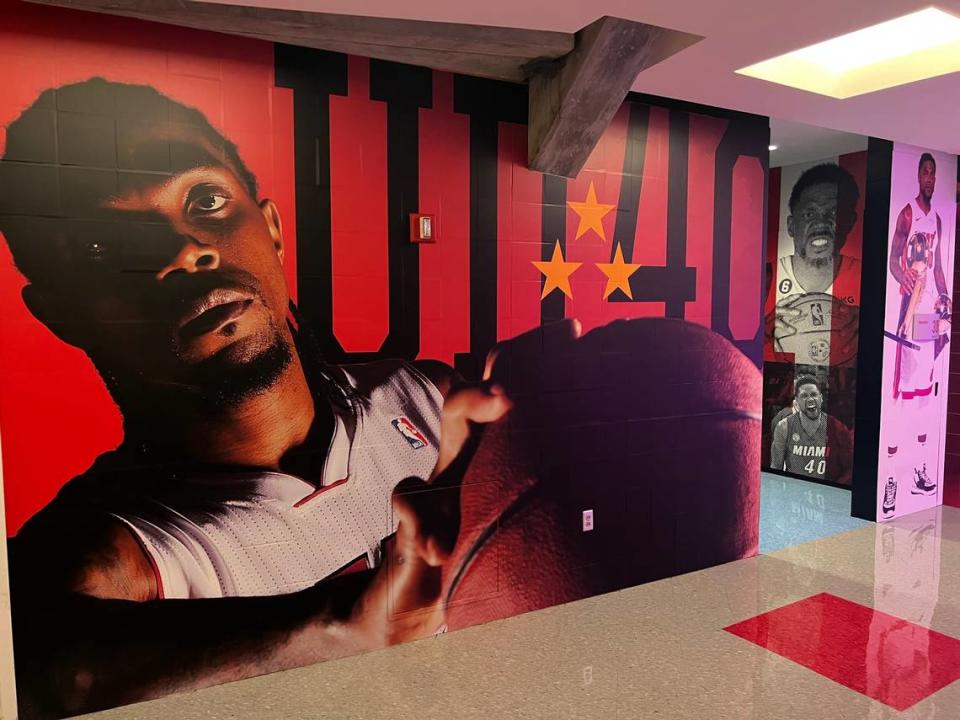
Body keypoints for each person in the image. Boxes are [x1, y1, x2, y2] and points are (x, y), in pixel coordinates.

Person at [0, 78, 523, 718]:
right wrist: (351, 628)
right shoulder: (122, 546)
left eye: (206, 198)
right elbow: (48, 662)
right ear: (60, 314)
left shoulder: (423, 399)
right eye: (105, 246)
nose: (185, 249)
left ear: (272, 229)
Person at [883, 152, 951, 508]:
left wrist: (946, 298)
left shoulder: (938, 219)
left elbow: (938, 267)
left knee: (925, 396)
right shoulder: (908, 212)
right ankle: (891, 479)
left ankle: (919, 472)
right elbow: (895, 259)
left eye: (933, 173)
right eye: (925, 172)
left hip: (929, 317)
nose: (929, 178)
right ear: (917, 176)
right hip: (908, 313)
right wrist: (902, 274)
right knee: (902, 398)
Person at [769, 163, 861, 359]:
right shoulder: (762, 280)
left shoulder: (869, 279)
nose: (821, 223)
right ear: (791, 226)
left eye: (833, 213)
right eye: (810, 214)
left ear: (850, 222)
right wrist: (759, 330)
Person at [770, 375, 852, 484]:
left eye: (814, 394)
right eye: (804, 396)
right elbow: (776, 468)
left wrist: (834, 491)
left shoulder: (838, 429)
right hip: (793, 493)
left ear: (821, 398)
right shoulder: (784, 427)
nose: (810, 400)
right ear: (797, 402)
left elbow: (849, 470)